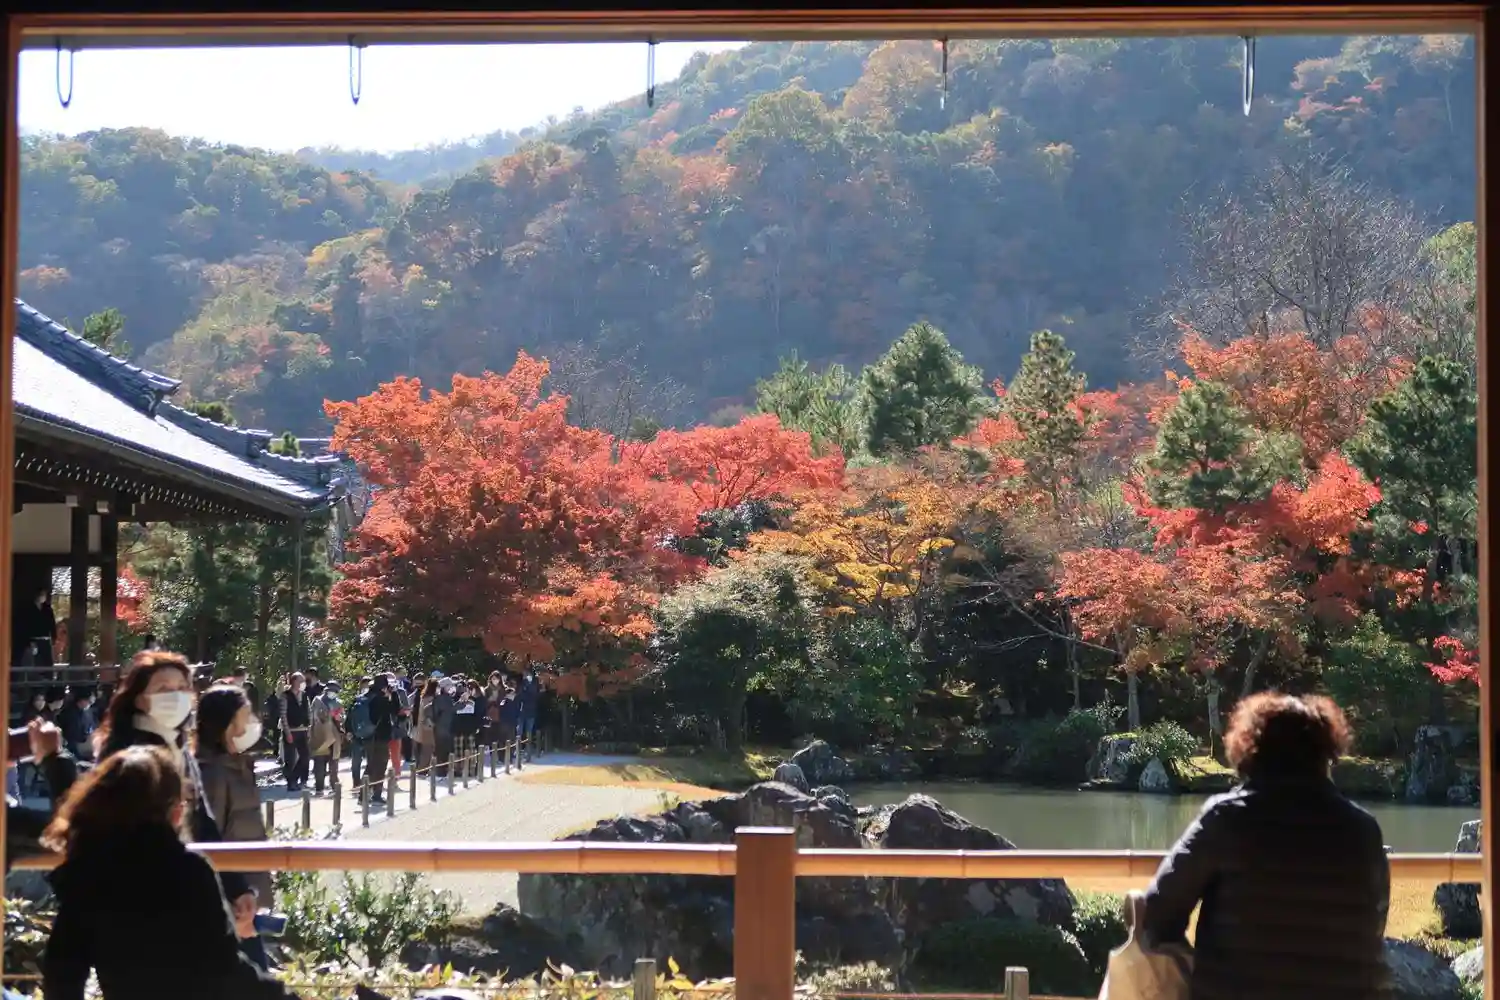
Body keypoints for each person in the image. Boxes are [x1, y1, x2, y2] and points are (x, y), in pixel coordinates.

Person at [1140, 692, 1389, 1000]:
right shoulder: (1363, 831)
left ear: (1249, 747)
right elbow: (1373, 927)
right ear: (1327, 752)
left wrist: (1190, 969)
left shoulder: (1227, 818)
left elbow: (1156, 911)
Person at [40, 744, 300, 1000]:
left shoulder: (89, 874)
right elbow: (226, 970)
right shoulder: (190, 871)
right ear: (175, 812)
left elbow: (61, 975)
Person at [73, 650, 259, 937]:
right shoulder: (125, 753)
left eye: (182, 687)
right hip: (138, 901)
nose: (175, 696)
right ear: (139, 699)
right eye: (163, 689)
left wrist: (237, 888)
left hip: (184, 889)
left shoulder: (181, 749)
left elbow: (202, 822)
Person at [194, 685, 274, 929]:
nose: (253, 723)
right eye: (246, 716)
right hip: (234, 904)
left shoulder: (238, 765)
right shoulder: (212, 773)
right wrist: (232, 896)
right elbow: (209, 840)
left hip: (250, 894)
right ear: (227, 723)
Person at [364, 674, 397, 805]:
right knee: (380, 766)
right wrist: (393, 694)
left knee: (370, 765)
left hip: (367, 735)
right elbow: (396, 709)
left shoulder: (366, 697)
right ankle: (376, 794)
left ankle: (363, 794)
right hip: (381, 737)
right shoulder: (382, 700)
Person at [309, 680, 343, 796]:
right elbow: (313, 717)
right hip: (320, 735)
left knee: (334, 763)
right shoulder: (317, 701)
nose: (333, 693)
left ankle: (334, 787)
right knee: (319, 763)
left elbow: (342, 717)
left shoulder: (338, 703)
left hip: (335, 737)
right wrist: (328, 714)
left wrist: (339, 717)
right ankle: (319, 788)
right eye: (331, 691)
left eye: (335, 692)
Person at [280, 672, 311, 793]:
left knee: (305, 756)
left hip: (303, 730)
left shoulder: (304, 695)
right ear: (294, 681)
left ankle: (295, 778)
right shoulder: (285, 696)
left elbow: (308, 712)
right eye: (301, 681)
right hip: (291, 730)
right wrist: (287, 732)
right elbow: (283, 715)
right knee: (290, 759)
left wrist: (309, 728)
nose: (303, 683)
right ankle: (291, 783)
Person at [345, 676, 375, 796]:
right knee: (361, 761)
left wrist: (348, 731)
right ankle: (359, 784)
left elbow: (349, 717)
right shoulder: (367, 700)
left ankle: (360, 784)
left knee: (359, 761)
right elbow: (349, 717)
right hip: (365, 734)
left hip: (358, 734)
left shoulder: (356, 700)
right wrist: (348, 730)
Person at [19, 587, 57, 667]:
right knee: (35, 661)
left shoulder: (48, 609)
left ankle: (48, 674)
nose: (43, 597)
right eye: (41, 595)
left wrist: (54, 637)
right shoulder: (29, 609)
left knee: (47, 662)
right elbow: (26, 626)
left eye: (44, 595)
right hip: (34, 640)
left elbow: (52, 624)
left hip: (46, 640)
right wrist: (28, 641)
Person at [57, 687, 96, 760]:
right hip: (72, 746)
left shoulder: (86, 712)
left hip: (83, 744)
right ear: (82, 700)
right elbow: (70, 734)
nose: (89, 704)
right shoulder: (69, 713)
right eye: (88, 702)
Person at [413, 676, 439, 774]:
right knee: (427, 750)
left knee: (426, 749)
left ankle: (423, 769)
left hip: (423, 727)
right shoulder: (430, 699)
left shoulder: (424, 697)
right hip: (428, 727)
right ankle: (422, 770)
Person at [518, 666, 541, 760]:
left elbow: (535, 694)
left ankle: (528, 752)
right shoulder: (521, 683)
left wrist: (528, 684)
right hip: (521, 711)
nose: (525, 676)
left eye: (526, 674)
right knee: (519, 732)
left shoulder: (535, 684)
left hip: (531, 711)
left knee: (529, 732)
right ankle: (518, 750)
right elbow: (521, 695)